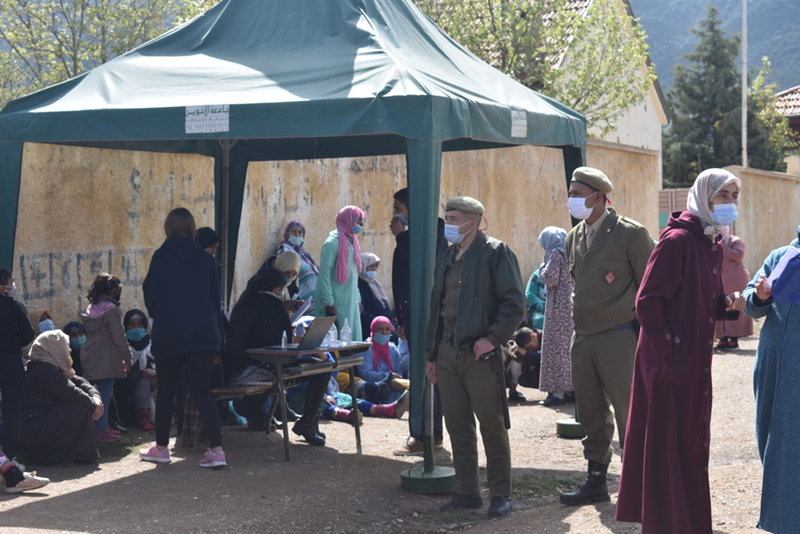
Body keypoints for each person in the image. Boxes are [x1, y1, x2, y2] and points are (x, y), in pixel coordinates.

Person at [616, 168, 745, 533]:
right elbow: (648, 302)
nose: (730, 204)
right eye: (724, 196)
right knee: (667, 447)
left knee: (689, 444)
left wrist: (727, 304)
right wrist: (670, 354)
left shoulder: (711, 244)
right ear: (704, 197)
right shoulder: (677, 241)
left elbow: (700, 300)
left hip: (692, 364)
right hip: (668, 365)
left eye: (734, 196)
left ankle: (686, 523)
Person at [559, 167, 654, 506]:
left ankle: (641, 487)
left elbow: (651, 287)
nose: (571, 199)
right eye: (570, 192)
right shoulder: (574, 236)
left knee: (631, 412)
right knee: (590, 413)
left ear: (597, 196)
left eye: (576, 193)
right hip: (583, 337)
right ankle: (596, 480)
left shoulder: (631, 234)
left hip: (619, 337)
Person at [426, 196, 525, 519]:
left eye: (453, 219)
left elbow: (514, 304)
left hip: (480, 354)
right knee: (457, 424)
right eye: (447, 218)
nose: (448, 225)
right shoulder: (449, 255)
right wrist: (431, 355)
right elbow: (437, 306)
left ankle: (500, 493)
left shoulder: (496, 253)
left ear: (473, 221)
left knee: (492, 425)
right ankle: (467, 491)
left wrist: (492, 339)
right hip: (448, 353)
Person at [140, 207, 226, 468]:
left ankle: (162, 447)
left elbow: (151, 299)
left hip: (171, 334)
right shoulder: (205, 259)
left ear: (168, 227)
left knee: (167, 390)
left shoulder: (161, 257)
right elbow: (215, 301)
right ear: (191, 228)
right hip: (203, 334)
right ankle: (217, 450)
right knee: (202, 391)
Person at [227, 267, 330, 445]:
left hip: (241, 363)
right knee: (324, 368)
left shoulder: (246, 302)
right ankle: (308, 423)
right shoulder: (271, 304)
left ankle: (299, 420)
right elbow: (281, 341)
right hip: (263, 364)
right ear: (277, 289)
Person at [741, 226, 800, 534]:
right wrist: (760, 294)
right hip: (773, 367)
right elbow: (750, 303)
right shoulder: (782, 255)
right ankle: (782, 517)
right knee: (773, 438)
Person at [390, 187, 448, 456]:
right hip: (416, 315)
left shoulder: (432, 232)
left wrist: (402, 239)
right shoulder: (432, 230)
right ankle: (429, 433)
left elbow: (413, 274)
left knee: (426, 374)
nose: (395, 216)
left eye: (398, 209)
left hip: (426, 316)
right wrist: (401, 318)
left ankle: (426, 434)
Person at [20, 330, 103, 467]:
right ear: (54, 349)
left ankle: (77, 454)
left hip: (42, 423)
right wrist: (93, 405)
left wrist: (96, 399)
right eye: (65, 347)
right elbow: (70, 391)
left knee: (81, 405)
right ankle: (47, 456)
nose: (68, 350)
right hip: (34, 427)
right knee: (78, 408)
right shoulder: (43, 369)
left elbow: (81, 383)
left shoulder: (54, 367)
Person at [79, 272, 132, 442]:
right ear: (112, 291)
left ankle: (98, 427)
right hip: (107, 358)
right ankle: (102, 429)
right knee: (106, 393)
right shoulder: (112, 311)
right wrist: (127, 358)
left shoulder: (90, 309)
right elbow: (119, 338)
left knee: (94, 394)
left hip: (90, 355)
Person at [315, 205, 365, 341]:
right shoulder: (332, 243)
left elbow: (354, 275)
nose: (361, 224)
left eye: (361, 221)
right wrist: (329, 303)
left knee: (351, 342)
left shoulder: (352, 242)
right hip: (335, 302)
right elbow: (324, 275)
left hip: (350, 300)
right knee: (335, 342)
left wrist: (358, 299)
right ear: (347, 220)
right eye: (358, 220)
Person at [0, 268, 35, 463]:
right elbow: (28, 335)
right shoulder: (14, 306)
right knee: (11, 412)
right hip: (12, 362)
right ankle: (10, 460)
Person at [537, 226, 574, 407]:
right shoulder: (570, 252)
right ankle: (571, 389)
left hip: (557, 309)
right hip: (570, 309)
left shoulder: (555, 254)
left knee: (556, 349)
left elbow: (551, 278)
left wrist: (542, 268)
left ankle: (557, 393)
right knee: (568, 350)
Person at [114, 309, 156, 431]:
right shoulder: (121, 348)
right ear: (126, 327)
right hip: (127, 396)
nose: (136, 328)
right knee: (143, 382)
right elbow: (119, 375)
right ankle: (143, 419)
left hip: (152, 395)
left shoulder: (153, 346)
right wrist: (140, 374)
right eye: (132, 324)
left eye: (140, 324)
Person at [714, 227, 753, 350]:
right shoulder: (713, 242)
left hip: (737, 280)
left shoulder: (736, 241)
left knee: (736, 307)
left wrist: (722, 246)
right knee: (721, 306)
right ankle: (723, 339)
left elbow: (739, 256)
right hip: (721, 281)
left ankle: (734, 339)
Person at [356, 316, 408, 404]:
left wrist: (394, 379)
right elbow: (365, 374)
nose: (384, 332)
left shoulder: (392, 348)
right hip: (373, 388)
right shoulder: (365, 348)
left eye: (387, 329)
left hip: (393, 389)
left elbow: (399, 372)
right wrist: (387, 376)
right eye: (380, 329)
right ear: (373, 330)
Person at [276, 220, 320, 303]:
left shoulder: (304, 254)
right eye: (294, 231)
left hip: (316, 296)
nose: (297, 234)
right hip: (302, 297)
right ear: (287, 234)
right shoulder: (284, 249)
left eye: (300, 232)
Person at [357, 253, 394, 337]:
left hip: (386, 328)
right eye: (371, 266)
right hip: (372, 330)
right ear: (363, 266)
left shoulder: (375, 284)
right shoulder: (359, 285)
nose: (374, 269)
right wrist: (380, 323)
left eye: (376, 266)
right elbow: (361, 311)